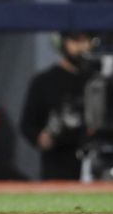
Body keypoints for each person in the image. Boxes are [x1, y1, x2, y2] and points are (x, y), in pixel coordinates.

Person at [20, 31, 94, 180]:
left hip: (94, 156)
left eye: (85, 40)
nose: (81, 47)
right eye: (75, 41)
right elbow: (27, 124)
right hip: (59, 160)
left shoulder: (97, 80)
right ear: (63, 43)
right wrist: (41, 138)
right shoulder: (44, 81)